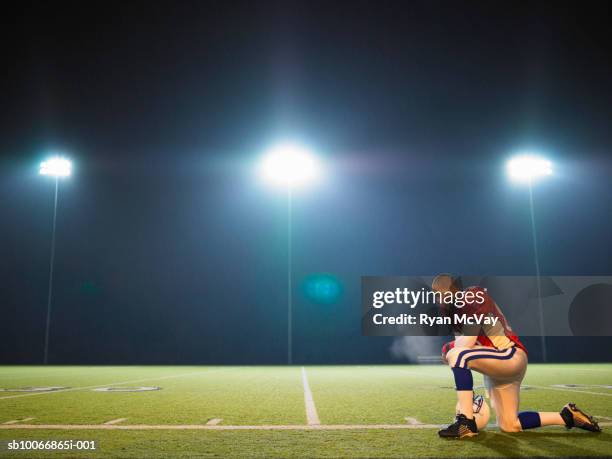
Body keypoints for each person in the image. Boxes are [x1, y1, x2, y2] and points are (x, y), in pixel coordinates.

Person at [432, 274, 601, 438]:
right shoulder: (455, 314)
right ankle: (566, 416)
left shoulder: (473, 295)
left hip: (509, 355)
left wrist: (448, 348)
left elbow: (466, 344)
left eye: (442, 292)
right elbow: (467, 346)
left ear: (454, 289)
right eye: (437, 295)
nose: (441, 298)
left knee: (458, 355)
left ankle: (466, 423)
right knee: (509, 424)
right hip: (497, 367)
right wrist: (451, 349)